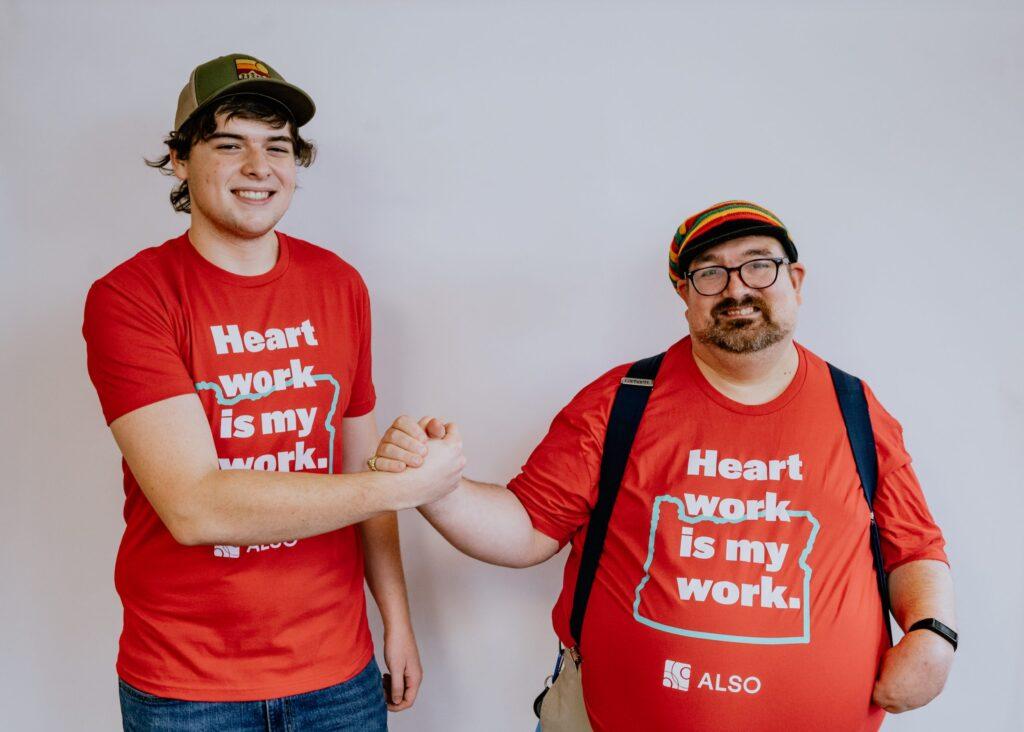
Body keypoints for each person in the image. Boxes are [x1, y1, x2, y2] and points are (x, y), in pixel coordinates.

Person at [374, 200, 957, 731]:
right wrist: (438, 488)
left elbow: (914, 547)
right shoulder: (623, 398)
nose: (736, 289)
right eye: (710, 273)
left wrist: (933, 635)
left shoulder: (855, 408)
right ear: (685, 294)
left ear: (795, 281)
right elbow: (528, 529)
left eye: (759, 265)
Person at [82, 53, 464, 731]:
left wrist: (395, 619)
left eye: (277, 147)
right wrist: (406, 486)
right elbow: (196, 507)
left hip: (337, 673)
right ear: (179, 160)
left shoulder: (338, 284)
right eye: (229, 144)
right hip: (187, 684)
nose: (259, 167)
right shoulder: (130, 299)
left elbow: (358, 459)